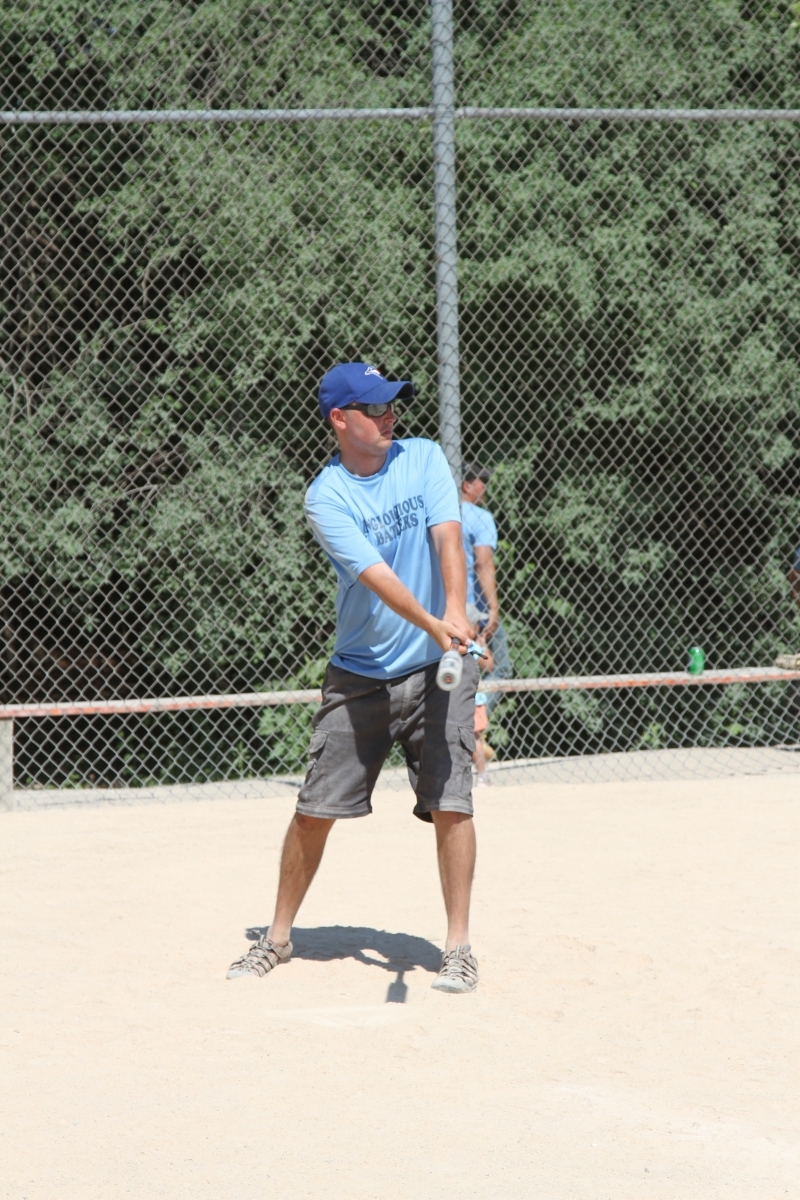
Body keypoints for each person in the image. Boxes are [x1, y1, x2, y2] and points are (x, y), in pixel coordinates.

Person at [226, 362, 480, 994]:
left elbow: (449, 540)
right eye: (375, 408)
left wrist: (454, 609)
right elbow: (378, 578)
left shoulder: (424, 457)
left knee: (452, 802)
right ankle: (276, 938)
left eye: (393, 405)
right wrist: (433, 622)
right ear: (340, 420)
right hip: (360, 674)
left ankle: (458, 948)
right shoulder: (327, 497)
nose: (390, 416)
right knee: (314, 811)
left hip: (438, 668)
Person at [460, 462, 512, 710]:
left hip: (446, 607)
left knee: (472, 661)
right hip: (475, 609)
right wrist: (493, 608)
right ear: (467, 485)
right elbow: (483, 563)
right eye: (483, 481)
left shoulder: (441, 514)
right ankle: (476, 715)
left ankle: (469, 714)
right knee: (498, 667)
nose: (486, 487)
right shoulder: (480, 517)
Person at [466, 602, 495, 785]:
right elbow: (488, 664)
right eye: (477, 623)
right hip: (475, 700)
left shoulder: (450, 644)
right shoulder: (471, 645)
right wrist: (483, 646)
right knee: (475, 738)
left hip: (455, 700)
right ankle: (483, 775)